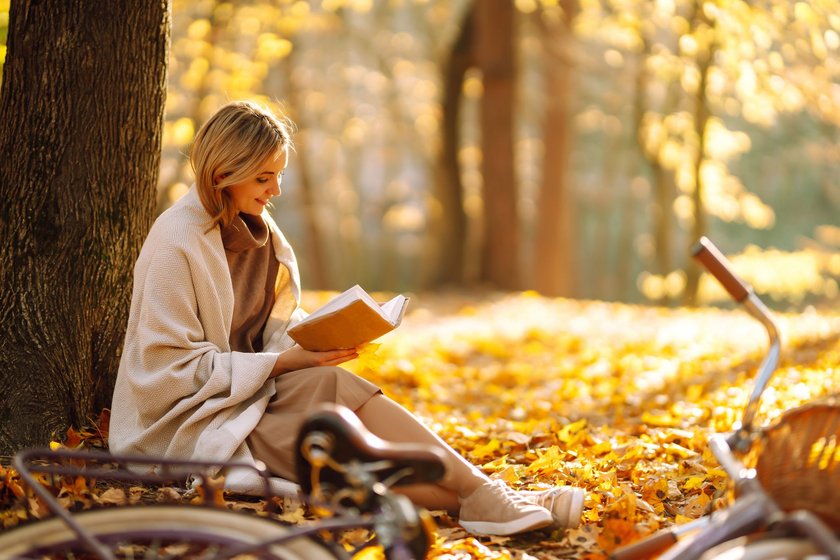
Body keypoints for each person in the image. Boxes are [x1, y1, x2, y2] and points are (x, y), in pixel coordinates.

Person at [109, 100, 585, 536]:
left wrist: (321, 336)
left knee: (336, 388)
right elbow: (166, 375)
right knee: (337, 460)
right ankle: (488, 497)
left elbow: (267, 326)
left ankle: (488, 496)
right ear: (222, 174)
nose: (275, 190)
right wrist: (285, 364)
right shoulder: (175, 242)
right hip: (191, 422)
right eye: (263, 178)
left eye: (278, 175)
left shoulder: (259, 231)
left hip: (246, 395)